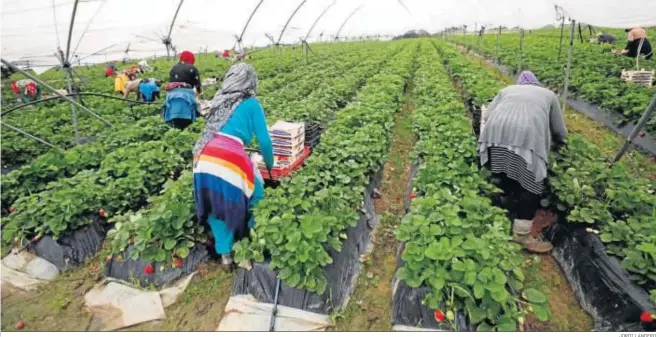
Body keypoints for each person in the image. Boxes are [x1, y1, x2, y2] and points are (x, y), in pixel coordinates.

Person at [192, 63, 274, 269]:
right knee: (257, 195)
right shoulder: (251, 104)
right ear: (251, 81)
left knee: (214, 203)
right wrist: (270, 166)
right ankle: (257, 244)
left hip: (202, 155)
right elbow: (264, 141)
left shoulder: (219, 100)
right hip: (228, 154)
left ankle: (225, 255)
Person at [478, 71, 568, 254]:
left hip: (496, 132)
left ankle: (498, 214)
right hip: (527, 136)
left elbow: (486, 116)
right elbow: (559, 129)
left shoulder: (507, 90)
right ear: (537, 84)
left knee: (504, 171)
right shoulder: (548, 95)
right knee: (530, 184)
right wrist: (562, 143)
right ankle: (522, 235)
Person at [164, 51, 202, 129]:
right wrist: (199, 93)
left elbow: (172, 82)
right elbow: (198, 85)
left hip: (172, 95)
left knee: (175, 122)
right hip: (186, 96)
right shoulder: (192, 68)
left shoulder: (173, 68)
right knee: (188, 120)